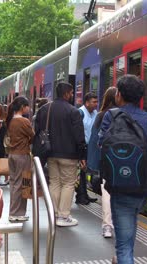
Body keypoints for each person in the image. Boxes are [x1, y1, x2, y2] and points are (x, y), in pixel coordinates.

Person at [99, 75, 147, 263]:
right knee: (129, 227)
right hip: (144, 188)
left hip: (121, 186)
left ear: (118, 95)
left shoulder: (112, 115)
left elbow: (102, 144)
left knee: (123, 246)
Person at [35, 82, 86, 227]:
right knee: (68, 183)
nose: (71, 96)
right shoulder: (73, 111)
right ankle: (64, 216)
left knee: (54, 182)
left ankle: (54, 214)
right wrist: (82, 156)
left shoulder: (45, 109)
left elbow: (37, 132)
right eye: (71, 93)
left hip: (50, 153)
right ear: (67, 93)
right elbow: (79, 136)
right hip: (69, 155)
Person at [87, 87, 117, 238]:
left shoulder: (100, 116)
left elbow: (94, 141)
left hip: (106, 160)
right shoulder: (125, 114)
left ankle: (107, 225)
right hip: (123, 159)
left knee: (107, 192)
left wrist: (92, 164)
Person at [6, 96, 34, 222]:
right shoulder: (24, 121)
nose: (29, 108)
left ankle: (19, 212)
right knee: (23, 184)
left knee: (15, 183)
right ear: (23, 107)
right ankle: (15, 213)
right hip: (22, 155)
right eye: (27, 106)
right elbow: (33, 136)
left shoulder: (11, 120)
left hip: (12, 155)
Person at [76, 92, 99, 205]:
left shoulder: (95, 113)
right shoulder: (80, 113)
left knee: (85, 172)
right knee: (81, 171)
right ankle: (81, 195)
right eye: (93, 102)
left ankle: (83, 194)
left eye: (96, 102)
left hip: (90, 147)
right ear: (86, 103)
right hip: (82, 146)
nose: (96, 104)